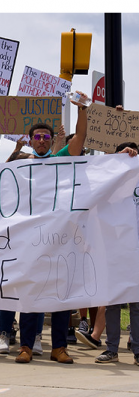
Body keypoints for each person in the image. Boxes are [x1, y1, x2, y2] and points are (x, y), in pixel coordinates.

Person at [15, 91, 89, 365]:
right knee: (30, 293)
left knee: (60, 293)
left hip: (59, 239)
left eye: (47, 136)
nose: (43, 140)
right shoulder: (20, 166)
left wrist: (82, 109)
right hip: (30, 241)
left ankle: (59, 347)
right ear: (31, 139)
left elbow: (79, 139)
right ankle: (25, 346)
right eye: (38, 137)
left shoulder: (61, 158)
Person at [94, 141, 139, 365]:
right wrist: (115, 161)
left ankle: (138, 352)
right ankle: (112, 349)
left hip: (137, 251)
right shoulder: (110, 180)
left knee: (136, 303)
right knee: (112, 302)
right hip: (114, 248)